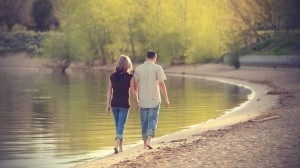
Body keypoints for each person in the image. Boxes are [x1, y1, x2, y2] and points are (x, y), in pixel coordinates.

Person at [134, 50, 170, 149]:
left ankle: (145, 143)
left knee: (144, 121)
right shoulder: (157, 68)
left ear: (146, 57)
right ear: (155, 58)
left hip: (143, 100)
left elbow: (135, 86)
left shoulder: (138, 69)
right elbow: (162, 84)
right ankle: (149, 141)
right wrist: (166, 99)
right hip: (154, 99)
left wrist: (136, 100)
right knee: (152, 120)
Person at [106, 55, 139, 154]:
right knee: (121, 125)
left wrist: (108, 105)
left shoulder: (112, 76)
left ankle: (120, 147)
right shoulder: (130, 77)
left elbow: (109, 91)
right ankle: (116, 145)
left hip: (114, 104)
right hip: (124, 104)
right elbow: (133, 91)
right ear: (128, 64)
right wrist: (136, 102)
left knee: (118, 125)